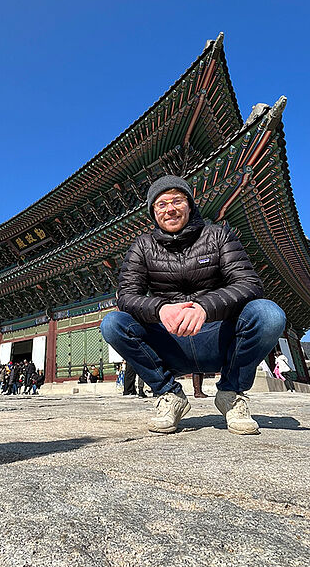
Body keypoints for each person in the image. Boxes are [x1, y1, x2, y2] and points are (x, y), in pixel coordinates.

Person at [101, 175, 286, 435]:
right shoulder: (143, 246)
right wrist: (160, 309)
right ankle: (169, 395)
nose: (170, 209)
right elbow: (126, 295)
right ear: (153, 212)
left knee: (268, 314)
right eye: (161, 204)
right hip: (169, 340)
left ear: (190, 205)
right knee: (113, 323)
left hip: (216, 334)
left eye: (177, 200)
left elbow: (249, 284)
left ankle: (231, 394)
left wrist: (204, 307)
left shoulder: (218, 236)